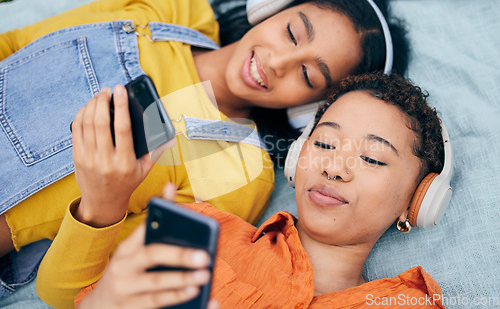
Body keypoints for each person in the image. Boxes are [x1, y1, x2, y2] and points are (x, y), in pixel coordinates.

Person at [0, 0, 411, 302]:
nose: (277, 62)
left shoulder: (243, 173)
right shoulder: (176, 7)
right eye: (291, 32)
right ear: (271, 7)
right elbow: (18, 45)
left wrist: (102, 205)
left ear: (310, 109)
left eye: (308, 76)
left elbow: (69, 293)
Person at [71, 72, 446, 309]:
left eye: (372, 159)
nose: (334, 168)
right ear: (298, 155)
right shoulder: (201, 231)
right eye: (325, 145)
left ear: (416, 201)